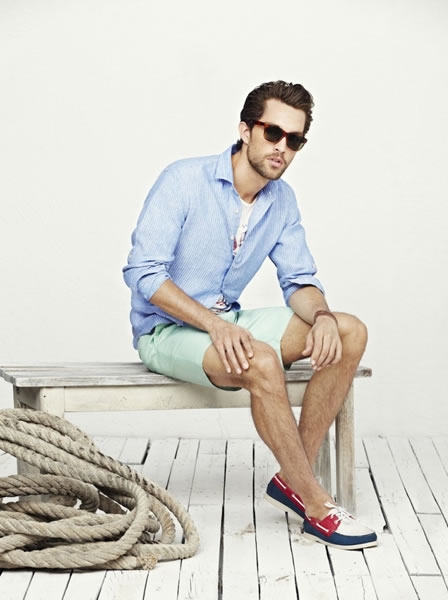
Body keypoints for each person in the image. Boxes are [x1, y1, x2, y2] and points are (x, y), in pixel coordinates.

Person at [123, 80, 377, 550]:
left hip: (228, 321)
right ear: (246, 130)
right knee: (260, 359)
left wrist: (322, 316)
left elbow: (298, 280)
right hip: (166, 331)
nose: (282, 147)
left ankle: (292, 479)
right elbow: (143, 273)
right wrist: (215, 325)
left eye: (294, 140)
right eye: (273, 133)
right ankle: (316, 505)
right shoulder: (184, 180)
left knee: (348, 330)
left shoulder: (282, 200)